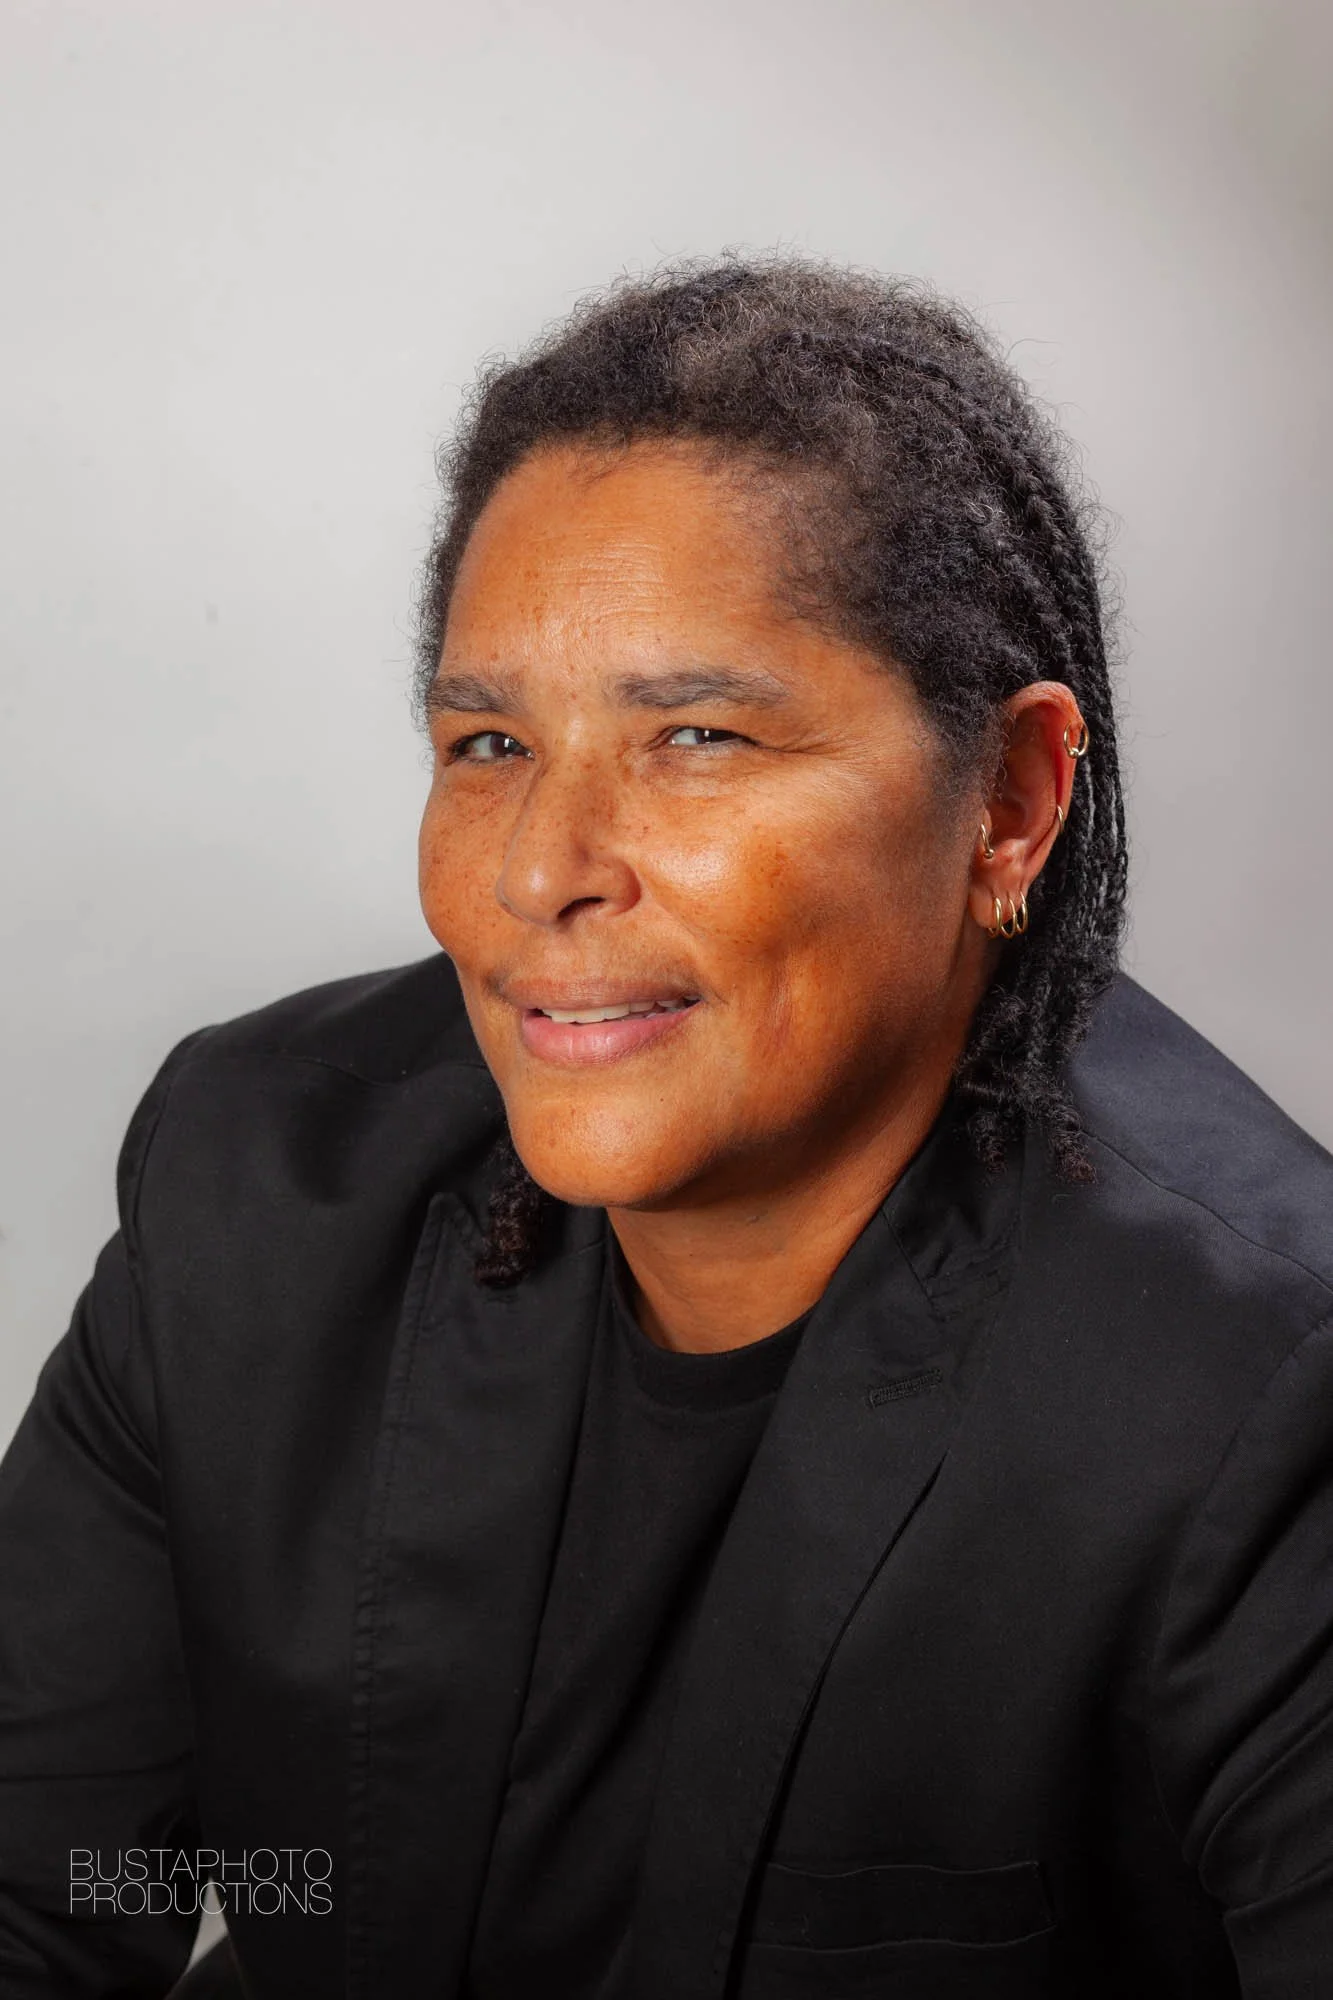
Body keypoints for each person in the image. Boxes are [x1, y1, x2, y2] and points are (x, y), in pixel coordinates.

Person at [1, 259, 1330, 2000]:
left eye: (697, 736)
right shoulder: (255, 1188)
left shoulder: (1268, 1400)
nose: (541, 870)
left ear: (1010, 803)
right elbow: (50, 1885)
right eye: (489, 743)